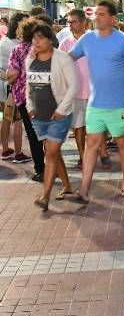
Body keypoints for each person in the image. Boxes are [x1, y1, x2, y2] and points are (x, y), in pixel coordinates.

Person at [68, 0, 124, 202]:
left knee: (123, 143)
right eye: (96, 14)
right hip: (95, 104)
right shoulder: (87, 39)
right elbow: (69, 58)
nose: (96, 17)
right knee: (91, 145)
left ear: (112, 18)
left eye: (101, 14)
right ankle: (84, 190)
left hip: (119, 104)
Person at [26, 24, 77, 211]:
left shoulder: (62, 59)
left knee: (50, 153)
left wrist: (62, 109)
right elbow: (28, 86)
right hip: (39, 116)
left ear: (50, 40)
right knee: (53, 152)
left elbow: (73, 86)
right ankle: (68, 186)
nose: (36, 41)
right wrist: (30, 106)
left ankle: (45, 195)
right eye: (34, 38)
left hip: (59, 115)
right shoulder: (30, 60)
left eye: (40, 38)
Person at [6, 16, 45, 179]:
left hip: (24, 99)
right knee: (47, 134)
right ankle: (54, 167)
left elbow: (11, 75)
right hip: (45, 96)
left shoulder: (18, 50)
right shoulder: (43, 48)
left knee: (33, 134)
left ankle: (40, 170)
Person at [58, 9, 93, 170]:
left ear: (83, 22)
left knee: (94, 127)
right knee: (78, 127)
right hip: (76, 92)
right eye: (69, 22)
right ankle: (82, 156)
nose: (70, 25)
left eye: (73, 22)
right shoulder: (65, 43)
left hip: (95, 91)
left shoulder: (94, 39)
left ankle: (98, 152)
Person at [0, 12, 26, 163]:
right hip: (11, 84)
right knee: (17, 119)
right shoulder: (16, 44)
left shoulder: (4, 40)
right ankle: (18, 153)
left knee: (6, 118)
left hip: (2, 82)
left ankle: (5, 149)